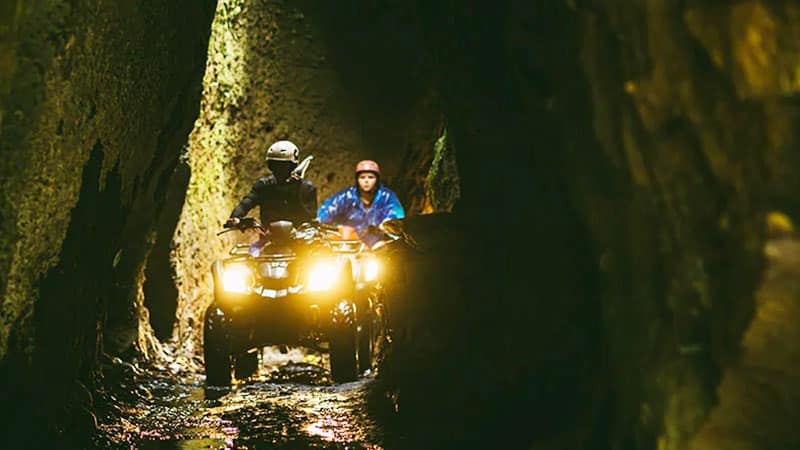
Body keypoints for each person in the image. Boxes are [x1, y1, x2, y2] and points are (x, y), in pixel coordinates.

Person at [226, 140, 318, 232]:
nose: (279, 169)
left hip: (302, 239)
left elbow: (309, 216)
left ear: (293, 165)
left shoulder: (306, 188)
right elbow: (246, 203)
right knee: (253, 247)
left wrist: (294, 191)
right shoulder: (264, 186)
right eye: (275, 165)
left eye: (283, 165)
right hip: (270, 238)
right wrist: (235, 218)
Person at [317, 160, 405, 247]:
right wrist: (321, 224)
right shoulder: (347, 196)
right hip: (347, 244)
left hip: (377, 247)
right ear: (357, 179)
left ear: (377, 179)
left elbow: (397, 220)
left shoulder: (387, 197)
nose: (366, 181)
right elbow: (327, 211)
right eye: (362, 177)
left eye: (370, 177)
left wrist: (384, 227)